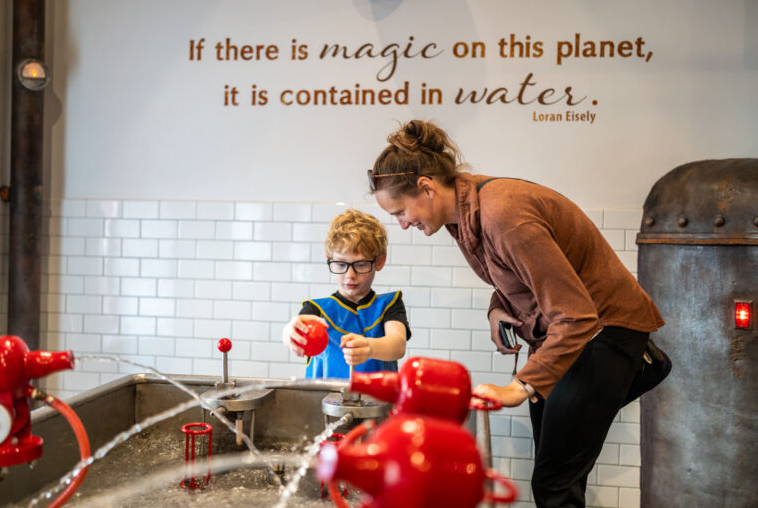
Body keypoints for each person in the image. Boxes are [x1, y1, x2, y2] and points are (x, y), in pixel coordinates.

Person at [368, 120, 670, 508]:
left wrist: (519, 386)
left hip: (601, 332)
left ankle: (638, 361)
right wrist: (498, 309)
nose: (403, 224)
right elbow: (516, 274)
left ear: (426, 188)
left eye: (400, 211)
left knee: (555, 483)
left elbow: (576, 315)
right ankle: (639, 364)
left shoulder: (503, 214)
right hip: (567, 335)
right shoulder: (462, 215)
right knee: (551, 463)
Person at [282, 209, 410, 379]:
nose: (350, 274)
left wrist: (370, 347)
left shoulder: (389, 304)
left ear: (379, 261)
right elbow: (296, 330)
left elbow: (397, 345)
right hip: (323, 403)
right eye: (341, 264)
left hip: (377, 403)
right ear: (329, 259)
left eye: (362, 264)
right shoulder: (315, 309)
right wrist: (289, 332)